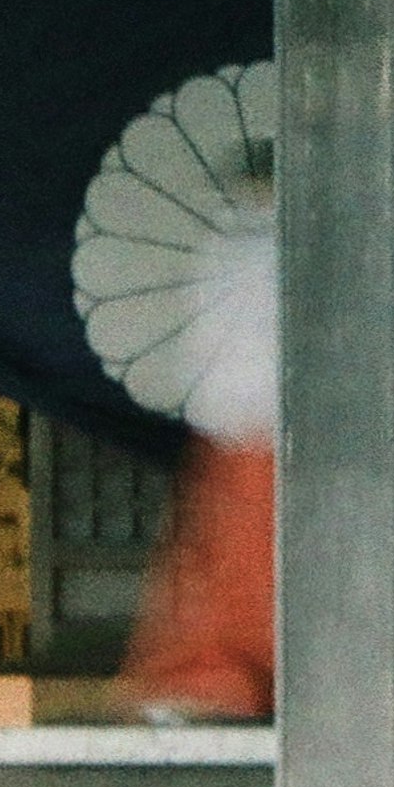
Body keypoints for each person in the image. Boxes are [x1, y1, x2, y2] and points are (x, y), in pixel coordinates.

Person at [118, 145, 277, 722]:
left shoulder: (223, 249)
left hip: (229, 423)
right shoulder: (264, 253)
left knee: (226, 560)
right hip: (258, 425)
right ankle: (212, 679)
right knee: (250, 563)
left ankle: (202, 680)